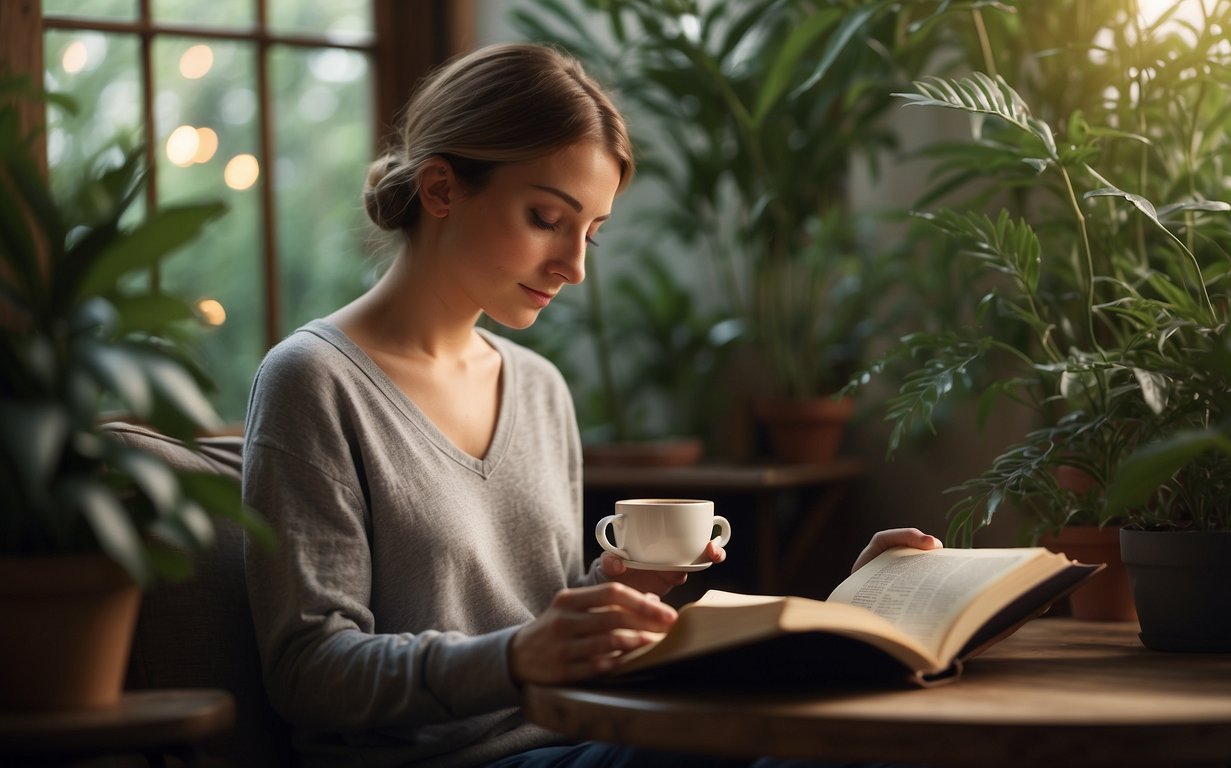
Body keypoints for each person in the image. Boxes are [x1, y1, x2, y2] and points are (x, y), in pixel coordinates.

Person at [242, 41, 941, 768]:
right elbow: (309, 672)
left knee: (857, 725)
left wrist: (618, 590)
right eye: (547, 218)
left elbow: (535, 626)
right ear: (442, 190)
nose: (574, 267)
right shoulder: (313, 380)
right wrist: (517, 655)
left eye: (591, 235)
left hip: (582, 739)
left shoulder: (539, 387)